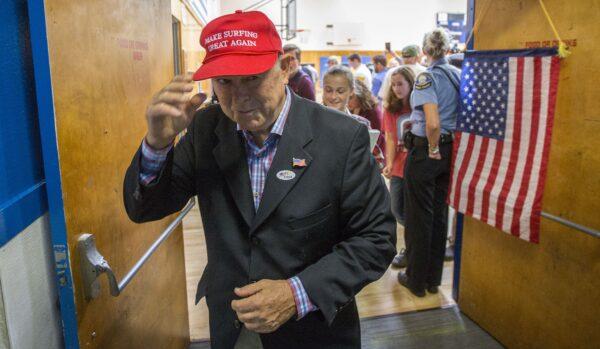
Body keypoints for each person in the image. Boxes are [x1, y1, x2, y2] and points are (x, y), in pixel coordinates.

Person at [123, 10, 396, 349]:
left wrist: (296, 293)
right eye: (224, 82)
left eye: (252, 77)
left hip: (314, 329)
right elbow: (145, 207)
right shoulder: (206, 128)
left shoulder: (340, 137)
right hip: (232, 323)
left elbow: (376, 240)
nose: (239, 98)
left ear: (285, 67)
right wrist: (157, 144)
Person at [398, 28, 461, 298]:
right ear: (447, 49)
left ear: (425, 51)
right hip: (450, 150)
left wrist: (432, 146)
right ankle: (433, 280)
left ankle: (415, 279)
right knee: (437, 215)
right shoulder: (458, 75)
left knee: (418, 218)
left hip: (428, 152)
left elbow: (433, 121)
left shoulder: (427, 77)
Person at [379, 66, 415, 269]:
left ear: (410, 83)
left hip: (416, 166)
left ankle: (412, 250)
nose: (396, 88)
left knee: (412, 211)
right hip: (400, 166)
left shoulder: (419, 106)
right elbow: (391, 138)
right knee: (396, 209)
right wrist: (390, 163)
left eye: (400, 84)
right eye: (393, 85)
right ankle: (416, 241)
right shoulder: (390, 108)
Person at [348, 79, 385, 165]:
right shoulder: (349, 109)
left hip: (371, 154)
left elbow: (376, 138)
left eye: (351, 98)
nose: (347, 101)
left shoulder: (373, 111)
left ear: (360, 95)